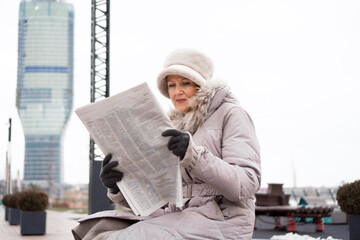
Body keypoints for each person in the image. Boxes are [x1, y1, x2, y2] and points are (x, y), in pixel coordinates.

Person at [72, 48, 261, 240]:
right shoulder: (171, 127)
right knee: (96, 229)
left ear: (202, 85)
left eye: (185, 83)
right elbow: (159, 200)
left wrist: (195, 157)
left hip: (223, 219)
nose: (177, 92)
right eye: (171, 85)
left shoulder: (231, 114)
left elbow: (246, 183)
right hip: (179, 216)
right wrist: (118, 186)